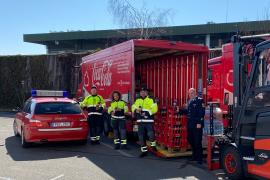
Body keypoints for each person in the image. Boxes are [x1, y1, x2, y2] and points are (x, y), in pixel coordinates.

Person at [180, 88, 205, 164]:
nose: (191, 94)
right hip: (190, 124)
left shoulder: (200, 100)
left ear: (195, 93)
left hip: (197, 124)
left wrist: (199, 123)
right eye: (190, 93)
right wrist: (180, 111)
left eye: (192, 93)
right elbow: (188, 111)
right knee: (190, 139)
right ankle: (194, 155)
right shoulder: (189, 101)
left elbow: (201, 112)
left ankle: (199, 158)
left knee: (197, 141)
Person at [132, 87, 158, 157]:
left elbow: (155, 109)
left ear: (147, 93)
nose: (143, 93)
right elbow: (133, 107)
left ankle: (153, 145)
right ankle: (144, 151)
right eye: (141, 92)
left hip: (148, 121)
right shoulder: (137, 100)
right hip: (140, 121)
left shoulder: (151, 99)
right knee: (141, 137)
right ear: (140, 93)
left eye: (144, 92)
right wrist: (136, 110)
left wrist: (146, 112)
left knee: (151, 134)